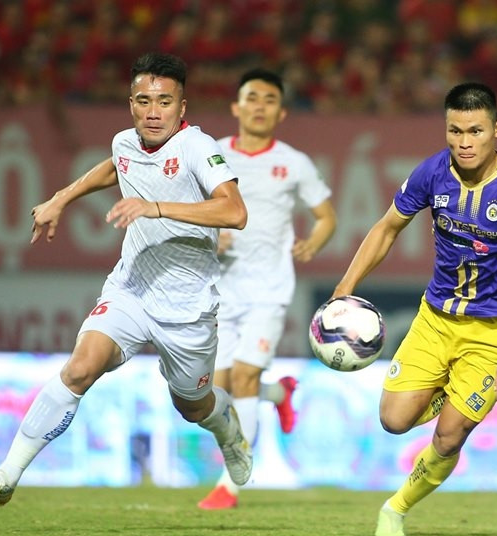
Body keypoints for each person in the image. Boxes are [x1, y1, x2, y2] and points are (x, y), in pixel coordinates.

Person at [0, 52, 253, 505]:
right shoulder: (125, 142)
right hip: (131, 288)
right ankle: (6, 474)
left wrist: (155, 207)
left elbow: (235, 211)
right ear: (131, 104)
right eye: (143, 101)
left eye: (164, 102)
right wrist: (60, 198)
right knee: (80, 368)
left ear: (182, 107)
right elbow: (116, 165)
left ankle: (228, 430)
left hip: (187, 306)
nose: (153, 112)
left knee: (192, 406)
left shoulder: (197, 147)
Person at [330, 82, 497, 536]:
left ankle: (395, 509)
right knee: (393, 420)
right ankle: (451, 390)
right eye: (455, 131)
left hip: (492, 333)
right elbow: (387, 228)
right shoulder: (432, 172)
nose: (464, 142)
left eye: (475, 131)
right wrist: (344, 288)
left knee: (449, 435)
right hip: (436, 319)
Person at [197, 68, 338, 510]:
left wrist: (314, 242)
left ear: (281, 113)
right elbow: (188, 210)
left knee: (243, 377)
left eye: (269, 100)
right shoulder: (212, 155)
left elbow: (326, 216)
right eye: (252, 98)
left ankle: (229, 485)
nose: (259, 106)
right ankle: (278, 393)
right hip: (220, 289)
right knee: (212, 392)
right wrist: (209, 235)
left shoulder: (294, 162)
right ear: (236, 107)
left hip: (269, 290)